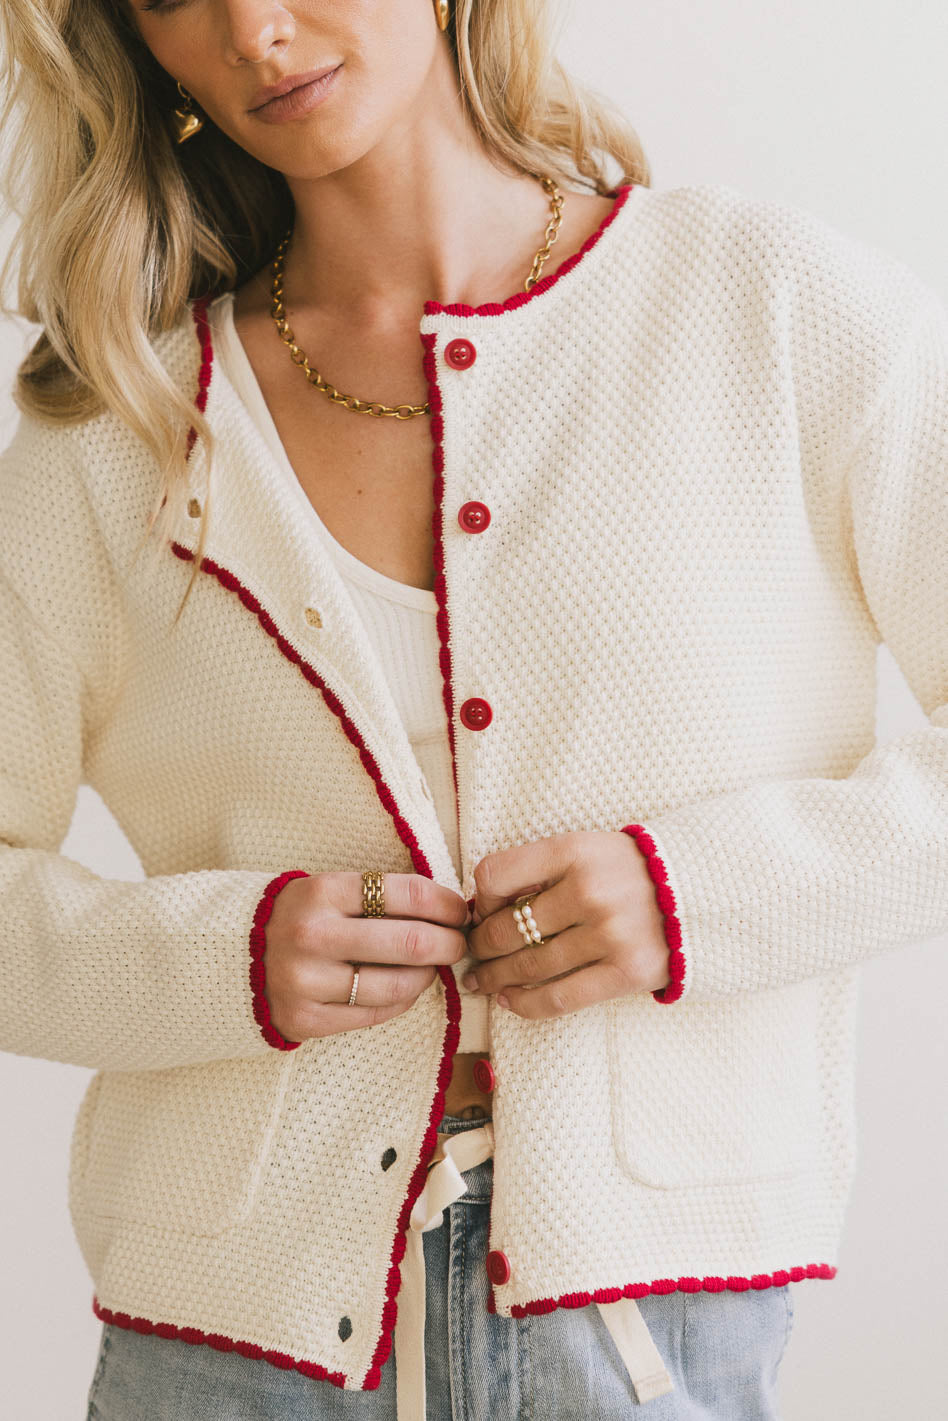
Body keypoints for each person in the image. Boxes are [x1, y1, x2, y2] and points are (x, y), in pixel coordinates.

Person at [0, 0, 945, 1417]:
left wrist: (699, 895)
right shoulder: (116, 428)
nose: (254, 28)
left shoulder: (771, 306)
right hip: (229, 1340)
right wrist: (222, 958)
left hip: (643, 1313)